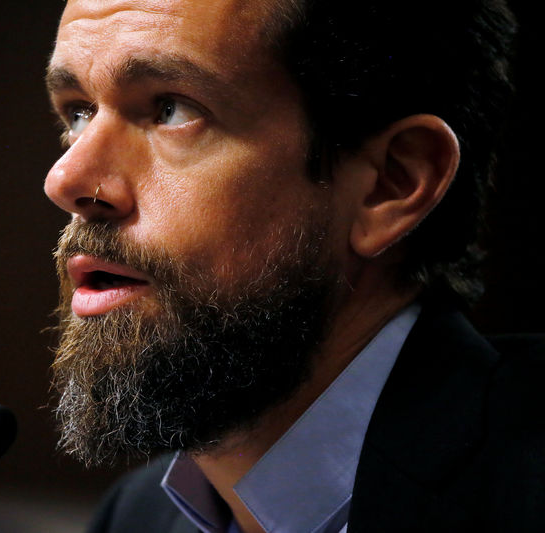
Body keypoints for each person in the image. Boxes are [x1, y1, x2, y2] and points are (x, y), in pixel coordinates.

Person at [43, 0, 544, 531]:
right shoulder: (136, 516)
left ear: (389, 184)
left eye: (172, 109)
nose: (65, 180)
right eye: (78, 112)